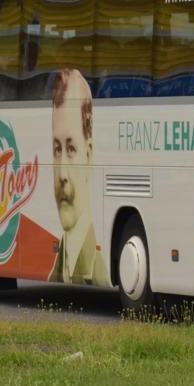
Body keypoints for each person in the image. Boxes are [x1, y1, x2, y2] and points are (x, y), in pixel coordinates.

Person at [51, 67, 110, 287]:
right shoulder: (57, 268)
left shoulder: (99, 270)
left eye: (71, 149)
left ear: (89, 154)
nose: (62, 174)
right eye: (57, 150)